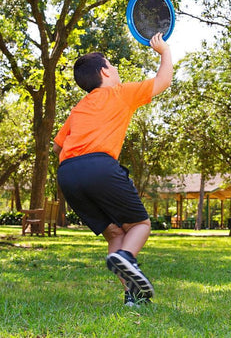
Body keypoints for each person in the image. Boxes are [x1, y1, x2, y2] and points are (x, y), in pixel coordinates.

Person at [53, 33, 172, 306]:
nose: (116, 69)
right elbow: (163, 81)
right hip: (99, 166)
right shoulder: (120, 92)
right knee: (140, 225)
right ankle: (126, 257)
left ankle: (133, 295)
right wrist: (164, 51)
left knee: (115, 233)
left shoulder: (78, 108)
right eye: (113, 65)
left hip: (68, 174)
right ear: (106, 71)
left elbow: (59, 148)